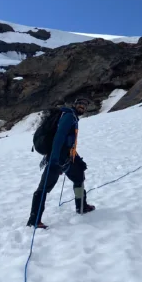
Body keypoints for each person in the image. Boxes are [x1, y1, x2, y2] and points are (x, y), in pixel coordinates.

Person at [27, 97, 95, 229]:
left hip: (68, 156)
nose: (82, 106)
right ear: (75, 105)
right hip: (58, 157)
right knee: (44, 188)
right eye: (80, 104)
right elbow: (59, 136)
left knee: (79, 176)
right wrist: (54, 159)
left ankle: (81, 206)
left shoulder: (73, 117)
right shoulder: (69, 117)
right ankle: (34, 220)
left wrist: (76, 157)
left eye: (85, 105)